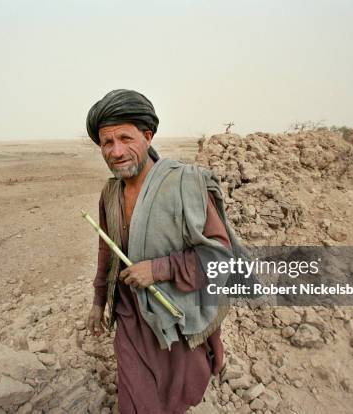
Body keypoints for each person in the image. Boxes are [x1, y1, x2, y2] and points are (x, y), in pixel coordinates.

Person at [85, 89, 243, 413]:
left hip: (176, 314)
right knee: (136, 401)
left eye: (125, 138)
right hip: (130, 317)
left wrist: (158, 270)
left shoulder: (186, 183)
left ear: (147, 135)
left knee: (177, 395)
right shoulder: (110, 192)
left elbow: (220, 257)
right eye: (106, 142)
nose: (116, 151)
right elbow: (107, 250)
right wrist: (99, 302)